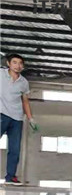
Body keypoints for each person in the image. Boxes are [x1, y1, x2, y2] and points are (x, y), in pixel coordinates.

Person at [1, 53, 38, 184]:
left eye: (20, 63)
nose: (18, 66)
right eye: (15, 62)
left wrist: (30, 118)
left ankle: (11, 177)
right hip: (1, 114)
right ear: (8, 64)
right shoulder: (1, 74)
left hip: (17, 118)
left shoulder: (24, 82)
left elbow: (25, 101)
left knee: (15, 149)